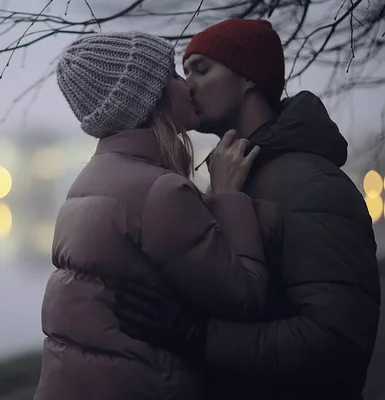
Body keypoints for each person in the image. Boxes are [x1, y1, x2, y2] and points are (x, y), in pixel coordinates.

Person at [112, 19, 382, 400]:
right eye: (185, 71)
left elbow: (336, 342)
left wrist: (196, 335)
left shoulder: (313, 187)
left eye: (202, 70)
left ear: (249, 77)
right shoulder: (233, 177)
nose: (186, 84)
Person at [34, 31, 268, 400]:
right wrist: (227, 197)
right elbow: (246, 297)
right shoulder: (161, 193)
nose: (187, 85)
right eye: (174, 74)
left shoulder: (87, 181)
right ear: (151, 98)